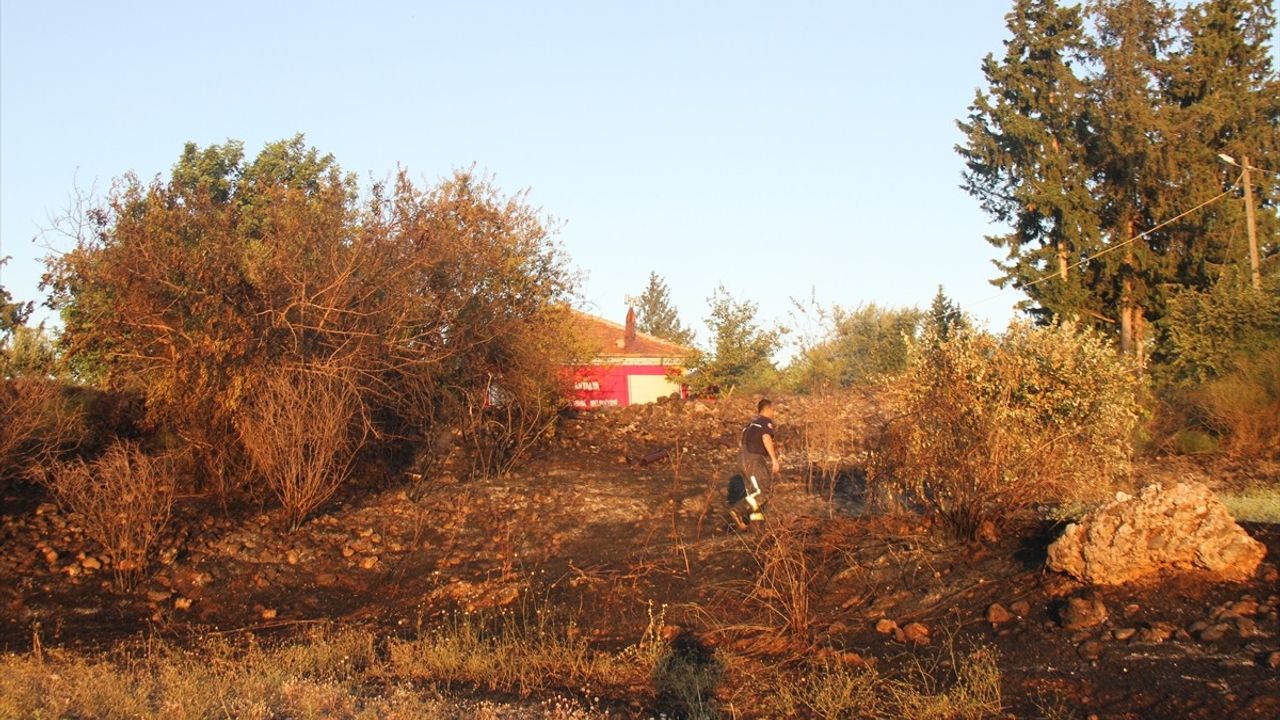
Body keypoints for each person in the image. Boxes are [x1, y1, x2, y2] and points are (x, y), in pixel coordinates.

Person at [728, 398, 779, 530]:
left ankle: (755, 527)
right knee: (764, 491)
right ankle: (738, 510)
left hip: (743, 459)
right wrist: (774, 459)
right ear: (768, 409)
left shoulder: (749, 426)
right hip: (754, 460)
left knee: (753, 492)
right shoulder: (765, 422)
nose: (774, 413)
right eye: (773, 410)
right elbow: (766, 438)